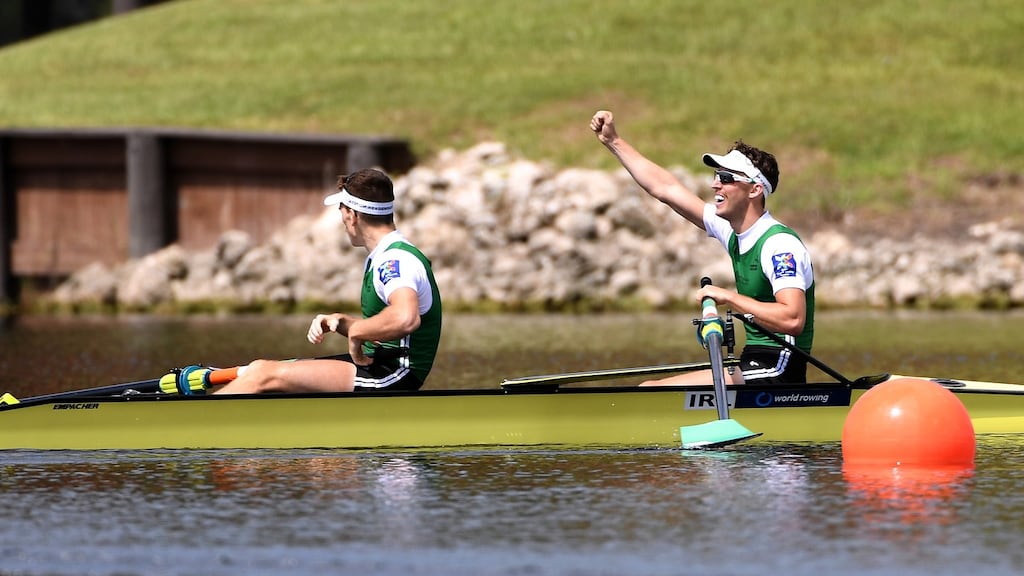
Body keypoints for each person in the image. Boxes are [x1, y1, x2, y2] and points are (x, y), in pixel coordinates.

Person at [590, 110, 814, 385]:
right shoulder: (733, 230)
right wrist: (613, 141)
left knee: (652, 389)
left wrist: (728, 297)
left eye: (726, 178)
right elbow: (666, 189)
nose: (714, 183)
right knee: (650, 387)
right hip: (755, 360)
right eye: (717, 176)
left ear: (755, 190)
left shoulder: (779, 246)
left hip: (781, 367)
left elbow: (793, 319)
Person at [207, 168, 442, 394]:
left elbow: (405, 318)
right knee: (259, 368)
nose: (341, 217)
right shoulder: (386, 255)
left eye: (341, 209)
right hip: (377, 365)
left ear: (352, 215)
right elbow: (389, 326)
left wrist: (357, 332)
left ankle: (199, 430)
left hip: (393, 374)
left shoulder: (395, 260)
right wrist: (343, 323)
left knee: (264, 376)